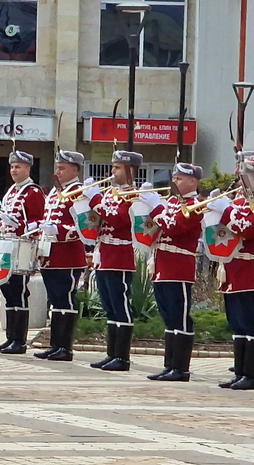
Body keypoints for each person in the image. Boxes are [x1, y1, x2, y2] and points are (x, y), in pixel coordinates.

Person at [209, 151, 254, 390]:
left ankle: (251, 375)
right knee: (236, 322)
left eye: (244, 176)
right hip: (234, 267)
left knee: (251, 321)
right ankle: (240, 372)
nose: (239, 181)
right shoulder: (240, 200)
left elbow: (247, 227)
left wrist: (224, 211)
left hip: (253, 268)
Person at [139, 163, 204, 383]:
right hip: (162, 264)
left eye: (179, 179)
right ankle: (170, 365)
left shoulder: (195, 205)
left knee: (180, 317)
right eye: (174, 178)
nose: (174, 182)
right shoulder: (172, 202)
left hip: (179, 267)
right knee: (169, 318)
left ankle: (181, 368)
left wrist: (156, 208)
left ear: (192, 182)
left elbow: (173, 226)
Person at [84, 150, 143, 371]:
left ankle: (122, 357)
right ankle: (111, 353)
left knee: (121, 306)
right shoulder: (110, 194)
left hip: (120, 255)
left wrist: (96, 201)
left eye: (117, 167)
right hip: (104, 254)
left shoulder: (133, 195)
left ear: (129, 170)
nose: (112, 171)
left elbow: (118, 220)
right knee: (109, 307)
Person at [0, 150, 45, 355]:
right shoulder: (12, 190)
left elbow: (37, 222)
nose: (14, 170)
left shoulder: (33, 191)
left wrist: (19, 226)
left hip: (21, 247)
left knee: (19, 292)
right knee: (7, 290)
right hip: (5, 246)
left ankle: (19, 340)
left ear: (28, 169)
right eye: (12, 166)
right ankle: (10, 337)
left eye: (18, 166)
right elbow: (6, 216)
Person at [32, 150, 87, 362]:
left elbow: (84, 226)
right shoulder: (56, 192)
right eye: (57, 167)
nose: (58, 171)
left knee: (66, 300)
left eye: (63, 168)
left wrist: (59, 230)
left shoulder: (79, 192)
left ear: (75, 169)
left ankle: (65, 347)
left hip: (68, 255)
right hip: (50, 255)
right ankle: (55, 344)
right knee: (55, 301)